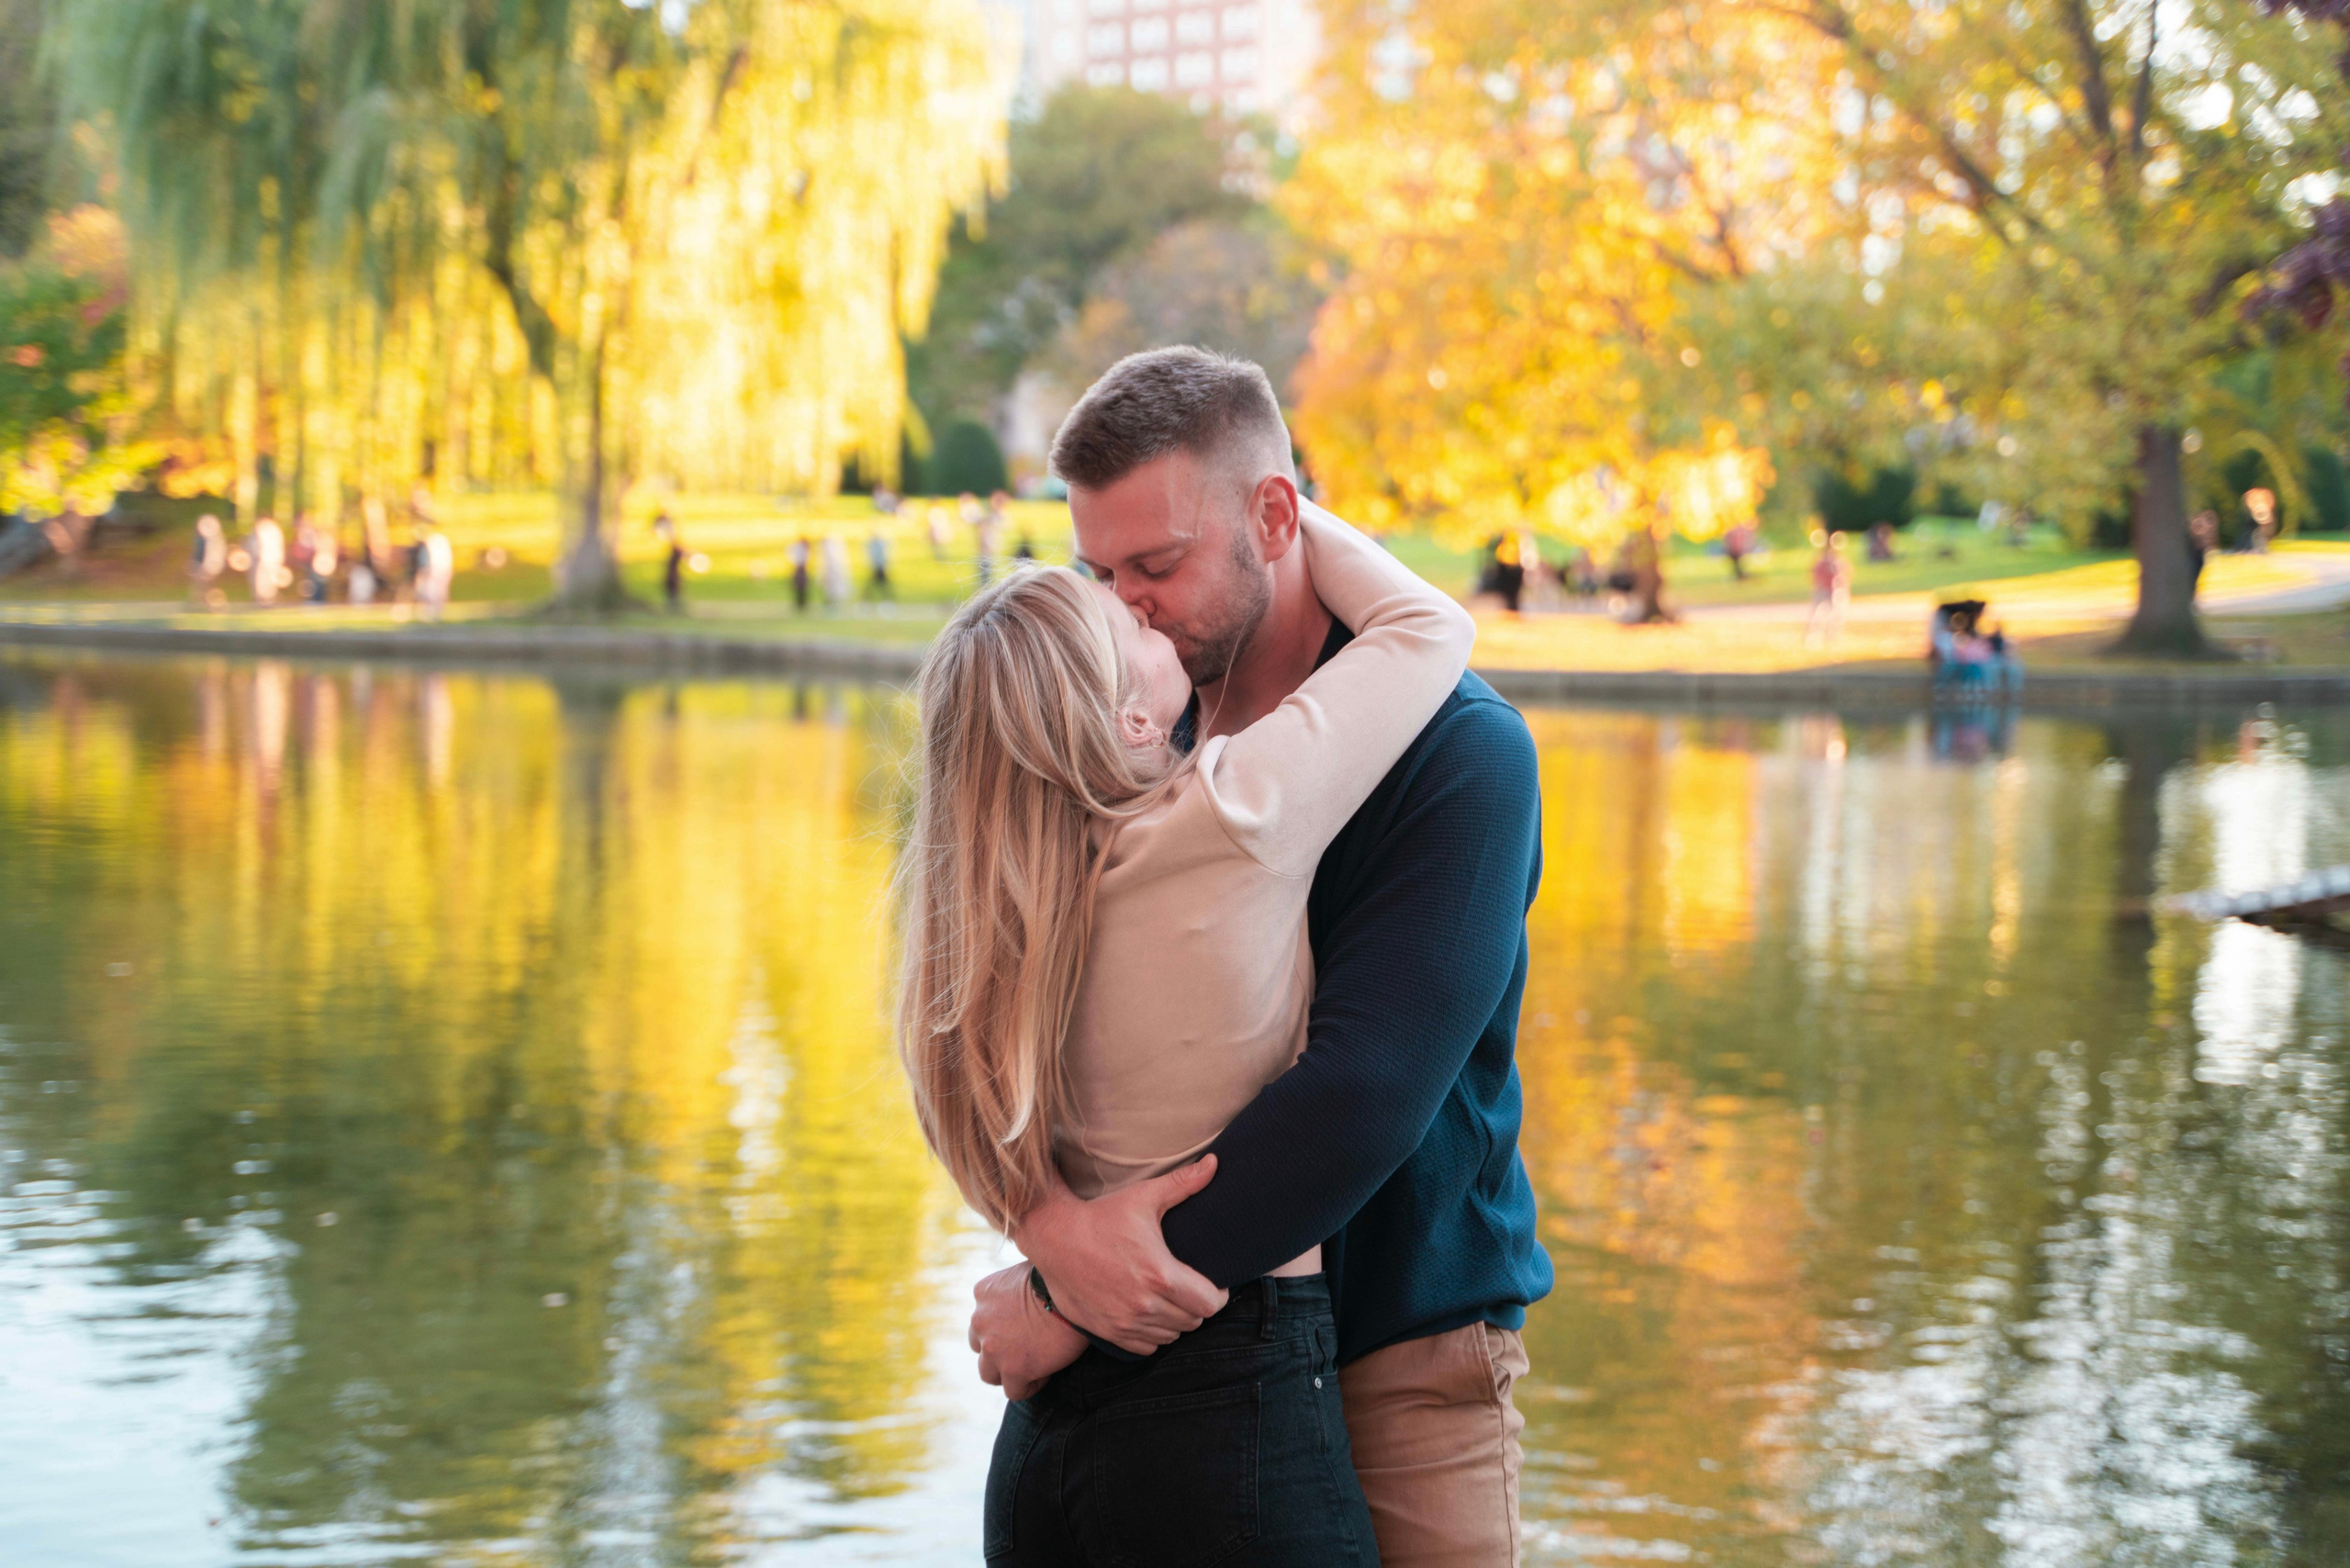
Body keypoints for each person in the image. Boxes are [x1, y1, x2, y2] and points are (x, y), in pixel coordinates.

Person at [963, 349, 1550, 1567]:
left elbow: (1362, 1095)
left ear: (1275, 517)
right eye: (1101, 572)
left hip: (1400, 1339)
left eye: (1158, 566)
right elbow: (985, 1001)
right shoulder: (1129, 718)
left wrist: (1073, 1297)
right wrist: (1044, 1220)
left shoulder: (1461, 756)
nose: (1125, 608)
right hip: (1165, 1353)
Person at [1805, 527, 1850, 646]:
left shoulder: (1838, 562)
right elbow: (1815, 575)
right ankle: (1813, 635)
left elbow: (1844, 575)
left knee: (1836, 615)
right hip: (1824, 589)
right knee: (1817, 614)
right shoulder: (1822, 563)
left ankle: (1831, 636)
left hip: (1834, 591)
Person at [413, 523, 454, 619]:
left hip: (436, 569)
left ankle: (436, 611)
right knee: (429, 591)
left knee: (434, 591)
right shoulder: (432, 543)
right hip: (435, 569)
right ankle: (431, 611)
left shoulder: (434, 543)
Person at [188, 513, 228, 607]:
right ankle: (201, 601)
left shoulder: (215, 540)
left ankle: (214, 601)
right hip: (203, 564)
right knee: (202, 584)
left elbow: (215, 554)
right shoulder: (201, 539)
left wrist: (211, 565)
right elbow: (198, 553)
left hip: (211, 565)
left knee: (207, 584)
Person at [249, 515, 285, 605]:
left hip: (264, 558)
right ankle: (268, 598)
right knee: (270, 580)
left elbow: (256, 544)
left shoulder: (261, 528)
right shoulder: (276, 529)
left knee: (263, 579)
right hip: (273, 558)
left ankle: (264, 598)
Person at [821, 533, 852, 605]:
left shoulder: (833, 551)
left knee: (834, 588)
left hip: (833, 571)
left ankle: (833, 601)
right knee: (830, 588)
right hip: (831, 571)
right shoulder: (829, 552)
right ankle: (831, 601)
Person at [866, 528, 892, 599]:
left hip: (880, 566)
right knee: (877, 585)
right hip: (877, 566)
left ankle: (887, 599)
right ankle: (867, 599)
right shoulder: (873, 544)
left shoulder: (881, 543)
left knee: (882, 585)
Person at [789, 535, 812, 612]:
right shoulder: (798, 548)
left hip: (802, 568)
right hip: (799, 568)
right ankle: (800, 604)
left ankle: (803, 604)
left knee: (803, 588)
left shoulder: (805, 549)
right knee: (799, 587)